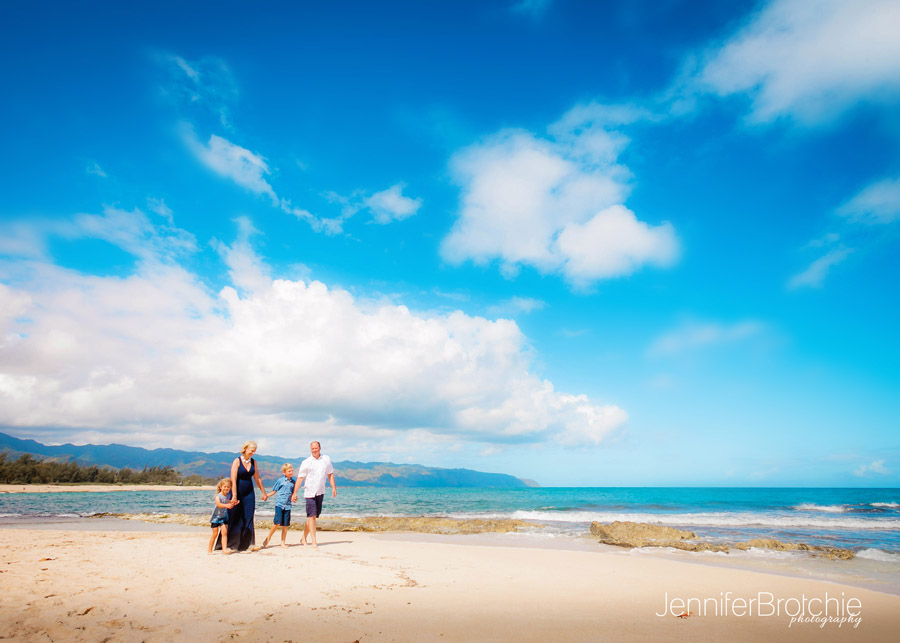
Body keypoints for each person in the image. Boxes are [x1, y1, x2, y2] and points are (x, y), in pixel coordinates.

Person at [223, 441, 269, 552]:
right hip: (237, 492)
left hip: (249, 492)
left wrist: (263, 492)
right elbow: (233, 479)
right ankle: (232, 544)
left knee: (249, 516)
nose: (253, 453)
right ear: (245, 448)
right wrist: (234, 495)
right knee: (235, 516)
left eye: (255, 451)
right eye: (252, 450)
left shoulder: (253, 462)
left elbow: (257, 478)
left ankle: (249, 544)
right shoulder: (237, 461)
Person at [291, 441, 336, 548]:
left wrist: (333, 488)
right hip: (309, 492)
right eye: (312, 448)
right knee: (312, 516)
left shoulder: (326, 459)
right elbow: (300, 478)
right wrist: (294, 493)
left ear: (320, 448)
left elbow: (330, 474)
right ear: (310, 449)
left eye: (316, 448)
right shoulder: (306, 462)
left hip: (320, 491)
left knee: (312, 517)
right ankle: (314, 541)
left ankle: (303, 538)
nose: (314, 450)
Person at [261, 463, 296, 548]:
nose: (291, 472)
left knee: (285, 525)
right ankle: (268, 538)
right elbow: (274, 491)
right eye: (289, 471)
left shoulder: (294, 482)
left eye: (292, 471)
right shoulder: (280, 481)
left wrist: (294, 497)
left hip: (288, 506)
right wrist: (266, 496)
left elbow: (293, 493)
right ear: (284, 472)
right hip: (279, 505)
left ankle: (282, 543)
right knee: (277, 523)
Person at [208, 478, 236, 554]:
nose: (226, 488)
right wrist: (226, 505)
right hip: (216, 518)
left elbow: (228, 501)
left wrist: (233, 502)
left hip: (224, 517)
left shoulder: (228, 495)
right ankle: (209, 550)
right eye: (224, 487)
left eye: (228, 487)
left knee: (224, 533)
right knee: (215, 534)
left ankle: (224, 549)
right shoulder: (218, 496)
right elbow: (218, 504)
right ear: (221, 487)